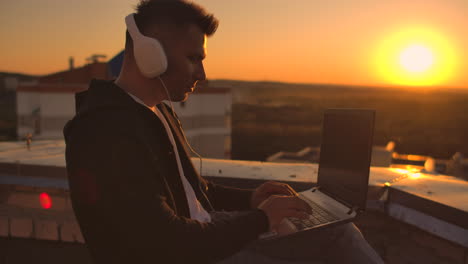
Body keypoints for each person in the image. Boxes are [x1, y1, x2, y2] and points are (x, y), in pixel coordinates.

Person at [63, 0, 383, 263]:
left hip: (204, 233)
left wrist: (253, 200)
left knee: (337, 231)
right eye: (193, 58)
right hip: (185, 252)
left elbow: (193, 192)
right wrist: (261, 219)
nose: (202, 73)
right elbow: (161, 242)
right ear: (150, 56)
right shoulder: (103, 131)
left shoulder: (155, 110)